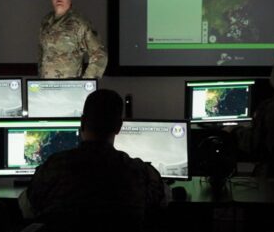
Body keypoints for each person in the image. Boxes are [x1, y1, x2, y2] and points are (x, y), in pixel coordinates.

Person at [21, 89, 166, 218]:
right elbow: (163, 200)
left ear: (82, 122)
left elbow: (26, 209)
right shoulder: (140, 171)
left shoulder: (53, 167)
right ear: (118, 127)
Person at [38, 0, 107, 79]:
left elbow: (100, 55)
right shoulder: (46, 21)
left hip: (70, 87)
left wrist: (85, 83)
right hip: (45, 86)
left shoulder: (79, 23)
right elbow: (41, 53)